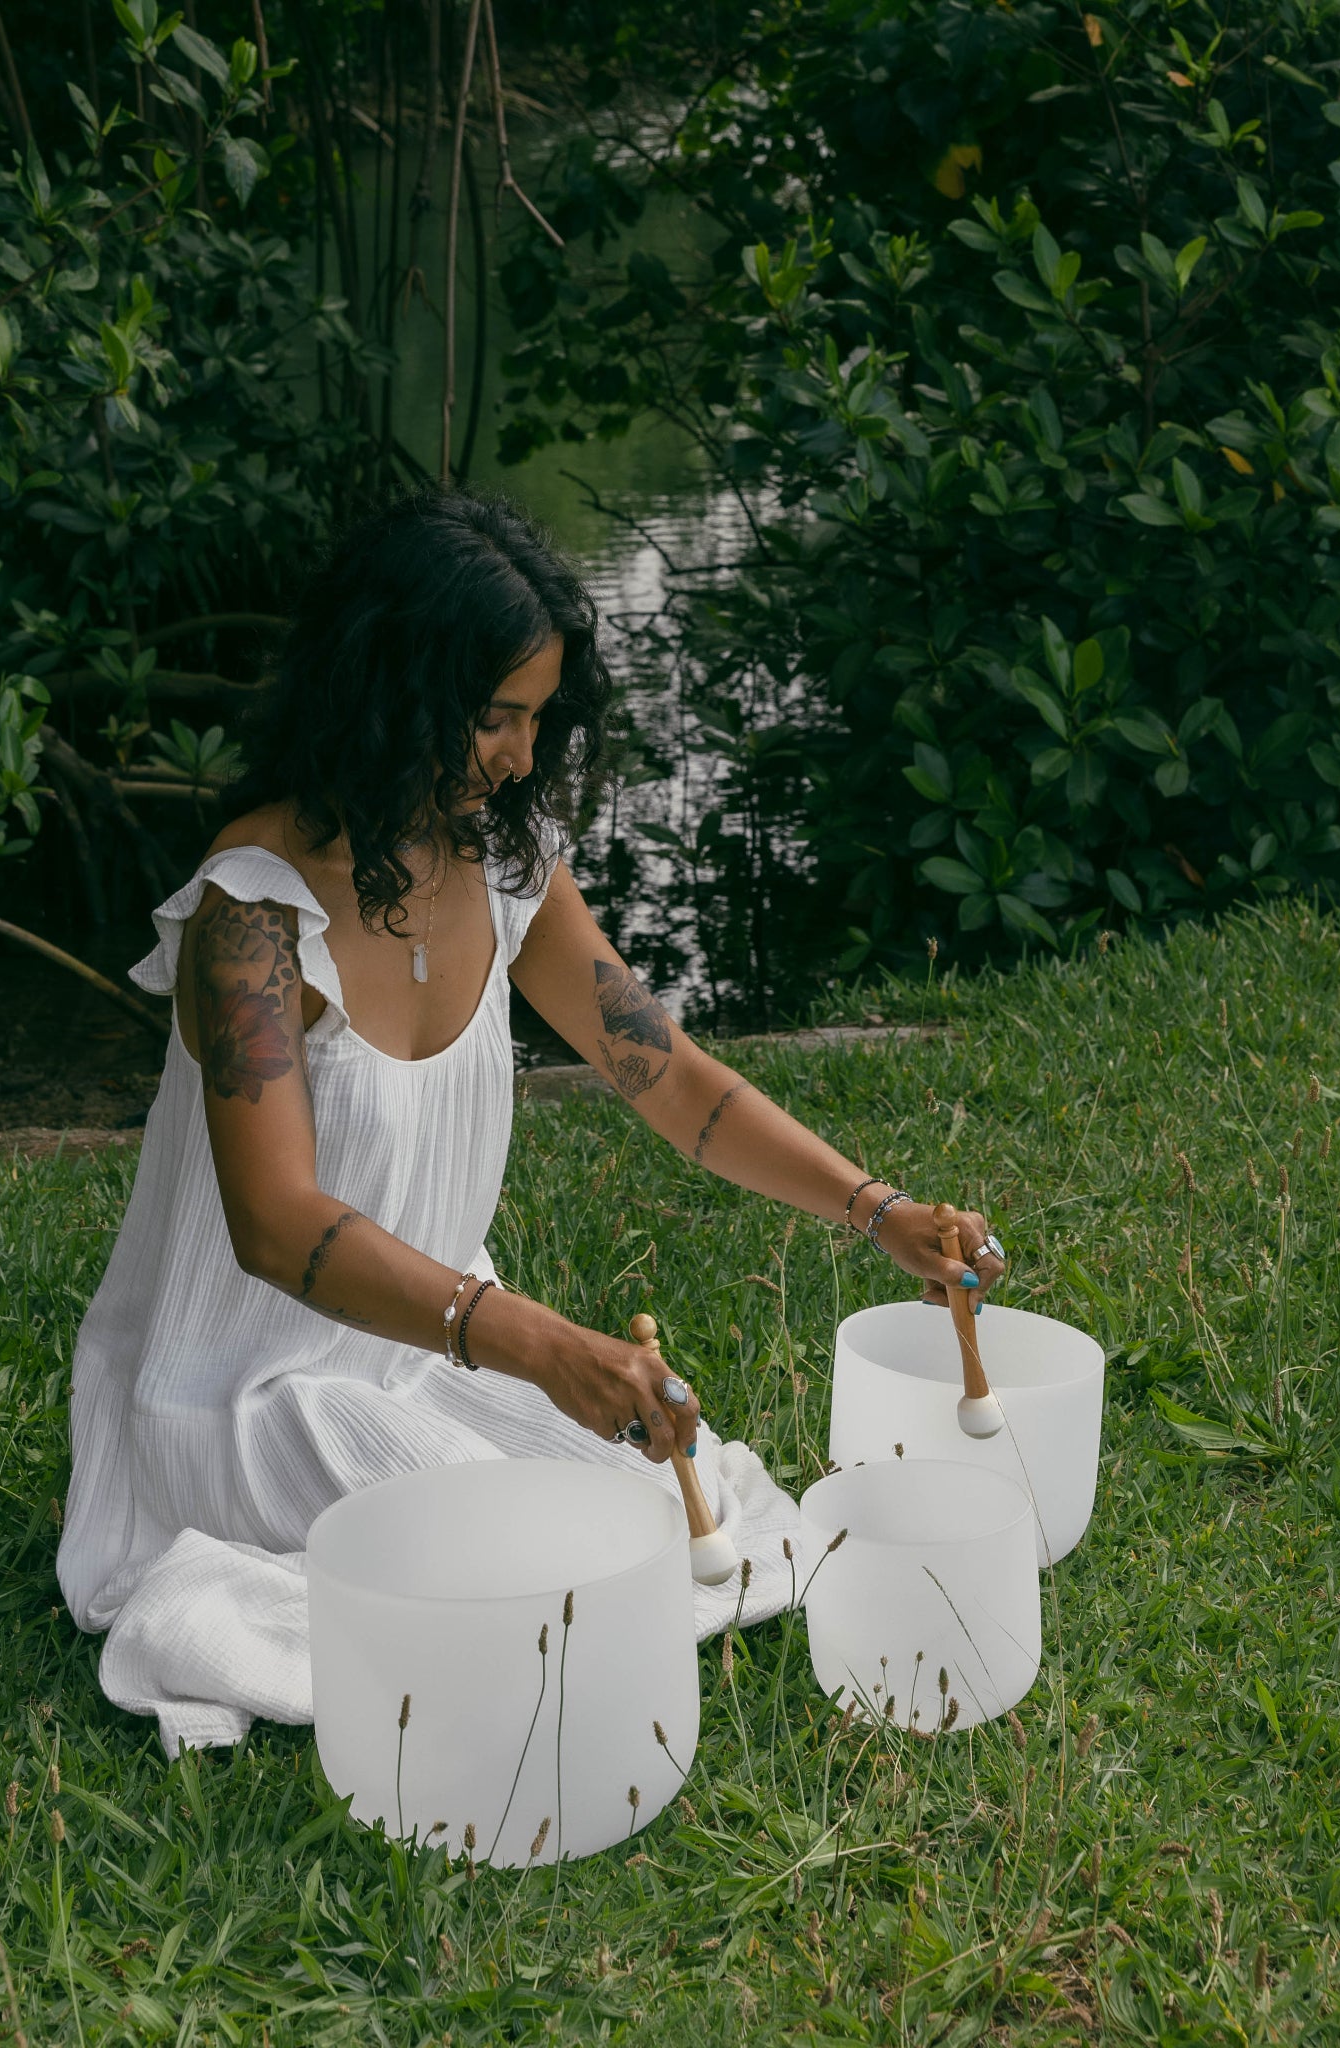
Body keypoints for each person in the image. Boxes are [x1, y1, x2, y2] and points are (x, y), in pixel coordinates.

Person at [57, 491, 1005, 1751]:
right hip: (242, 1393)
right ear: (387, 682)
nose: (515, 752)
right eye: (491, 714)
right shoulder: (252, 913)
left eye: (536, 717)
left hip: (423, 1361)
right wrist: (540, 1345)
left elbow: (663, 1071)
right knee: (530, 1586)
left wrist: (874, 1207)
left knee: (637, 1534)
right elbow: (276, 1225)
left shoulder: (504, 863)